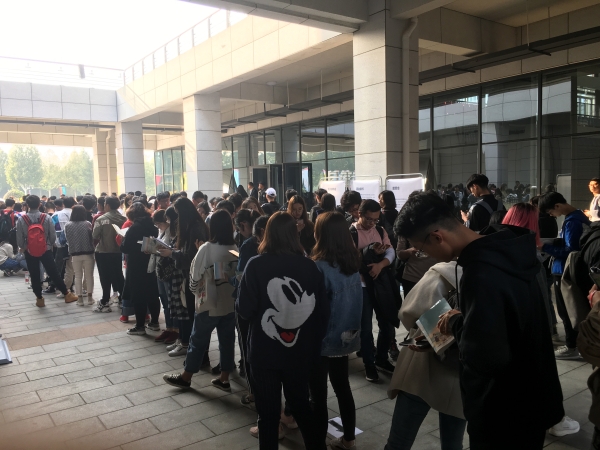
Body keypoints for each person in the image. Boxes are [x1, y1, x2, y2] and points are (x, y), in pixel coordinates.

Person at [395, 192, 564, 449]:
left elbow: (485, 357)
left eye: (421, 249)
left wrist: (455, 323)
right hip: (534, 395)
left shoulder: (480, 272)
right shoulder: (511, 248)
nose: (424, 254)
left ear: (437, 237)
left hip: (503, 409)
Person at [237, 212, 329, 450]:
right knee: (301, 406)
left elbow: (244, 310)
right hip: (299, 353)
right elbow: (322, 312)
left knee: (267, 415)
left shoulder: (255, 265)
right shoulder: (309, 267)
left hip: (264, 352)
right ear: (294, 234)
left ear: (267, 234)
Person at [385, 262, 466, 450]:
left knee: (399, 441)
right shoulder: (501, 278)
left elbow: (409, 314)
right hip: (461, 375)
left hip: (423, 369)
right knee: (453, 443)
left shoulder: (443, 272)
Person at [163, 209, 239, 391]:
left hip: (209, 304)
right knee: (227, 341)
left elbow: (195, 276)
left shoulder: (206, 248)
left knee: (198, 339)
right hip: (230, 303)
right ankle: (224, 378)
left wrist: (195, 293)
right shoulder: (235, 248)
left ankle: (186, 376)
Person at [310, 212, 362, 450]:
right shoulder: (352, 262)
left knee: (318, 395)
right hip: (346, 335)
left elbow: (314, 308)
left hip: (322, 338)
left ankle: (317, 444)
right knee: (343, 388)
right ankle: (349, 439)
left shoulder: (318, 266)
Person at [539, 191, 591, 359]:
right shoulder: (579, 217)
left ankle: (572, 346)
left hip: (564, 270)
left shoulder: (572, 222)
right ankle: (577, 344)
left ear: (557, 206)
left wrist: (544, 247)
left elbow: (571, 251)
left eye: (550, 212)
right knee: (573, 308)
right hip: (571, 270)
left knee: (567, 310)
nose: (551, 215)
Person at [351, 199, 397, 382]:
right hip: (362, 285)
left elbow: (391, 252)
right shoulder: (351, 233)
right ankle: (369, 364)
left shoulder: (380, 230)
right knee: (366, 328)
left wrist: (380, 264)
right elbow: (351, 260)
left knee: (387, 323)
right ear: (359, 214)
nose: (372, 223)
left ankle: (381, 358)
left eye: (376, 219)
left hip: (380, 283)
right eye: (369, 219)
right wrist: (369, 252)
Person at [158, 197, 210, 356]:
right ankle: (188, 344)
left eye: (178, 214)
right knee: (187, 311)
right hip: (188, 273)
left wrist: (172, 253)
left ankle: (191, 347)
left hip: (193, 275)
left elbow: (192, 255)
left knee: (190, 313)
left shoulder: (195, 227)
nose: (177, 219)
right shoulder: (192, 225)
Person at [16, 195, 78, 307]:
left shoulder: (21, 219)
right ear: (40, 204)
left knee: (34, 274)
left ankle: (39, 299)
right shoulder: (46, 217)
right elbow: (53, 236)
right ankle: (67, 294)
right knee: (53, 272)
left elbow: (20, 240)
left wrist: (27, 246)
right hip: (46, 250)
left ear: (27, 205)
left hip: (30, 251)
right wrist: (48, 245)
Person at [120, 202, 161, 335]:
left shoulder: (134, 228)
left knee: (138, 295)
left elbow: (125, 248)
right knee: (153, 294)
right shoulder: (153, 225)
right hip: (152, 263)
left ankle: (140, 326)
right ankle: (155, 322)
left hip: (136, 265)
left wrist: (123, 238)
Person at [92, 196, 126, 313]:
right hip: (118, 252)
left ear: (107, 205)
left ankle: (105, 301)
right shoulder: (123, 219)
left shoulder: (101, 219)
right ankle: (123, 299)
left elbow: (95, 235)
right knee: (118, 275)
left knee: (104, 277)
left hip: (103, 252)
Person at [150, 210, 179, 345]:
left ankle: (175, 329)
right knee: (164, 300)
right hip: (160, 269)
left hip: (169, 270)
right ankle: (169, 327)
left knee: (171, 301)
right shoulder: (162, 232)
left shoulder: (174, 233)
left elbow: (174, 251)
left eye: (159, 224)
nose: (158, 226)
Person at [64, 205, 95, 306]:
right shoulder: (88, 224)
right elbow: (92, 238)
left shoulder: (68, 225)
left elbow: (67, 239)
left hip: (75, 254)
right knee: (89, 276)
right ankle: (90, 298)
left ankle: (80, 299)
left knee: (77, 276)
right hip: (88, 253)